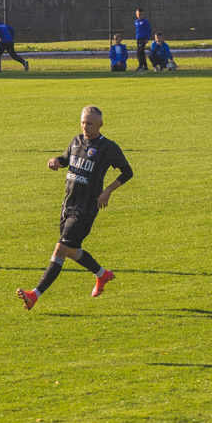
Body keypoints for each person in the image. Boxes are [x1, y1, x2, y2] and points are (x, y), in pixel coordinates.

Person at [17, 105, 132, 309]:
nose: (85, 126)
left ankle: (34, 295)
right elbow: (65, 159)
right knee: (72, 250)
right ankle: (102, 275)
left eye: (89, 123)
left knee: (61, 249)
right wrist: (55, 161)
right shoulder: (76, 141)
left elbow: (127, 172)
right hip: (68, 205)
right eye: (82, 122)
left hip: (86, 208)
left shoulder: (108, 147)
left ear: (100, 124)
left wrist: (108, 191)